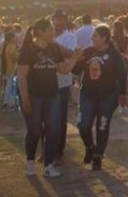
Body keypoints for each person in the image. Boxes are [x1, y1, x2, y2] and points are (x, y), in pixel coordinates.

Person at [17, 17, 81, 179]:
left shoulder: (54, 48)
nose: (53, 32)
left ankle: (48, 164)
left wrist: (74, 58)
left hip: (52, 95)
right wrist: (25, 98)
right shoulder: (28, 49)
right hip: (33, 95)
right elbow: (22, 77)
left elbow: (63, 70)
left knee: (54, 129)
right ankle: (30, 162)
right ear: (40, 32)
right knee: (34, 131)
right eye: (50, 29)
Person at [72, 24, 128, 171]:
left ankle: (98, 155)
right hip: (88, 94)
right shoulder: (87, 52)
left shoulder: (114, 54)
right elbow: (75, 70)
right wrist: (76, 58)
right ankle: (90, 146)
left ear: (104, 38)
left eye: (95, 36)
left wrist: (123, 94)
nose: (92, 38)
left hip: (108, 95)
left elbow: (122, 75)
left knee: (102, 125)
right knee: (83, 125)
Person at [51, 11, 76, 165]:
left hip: (63, 82)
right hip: (45, 82)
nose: (58, 23)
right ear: (52, 20)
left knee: (60, 118)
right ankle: (48, 149)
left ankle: (58, 151)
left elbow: (71, 55)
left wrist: (52, 44)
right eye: (56, 20)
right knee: (45, 119)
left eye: (61, 20)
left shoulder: (70, 37)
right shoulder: (46, 35)